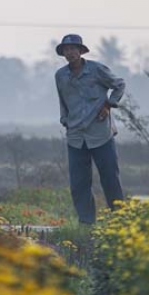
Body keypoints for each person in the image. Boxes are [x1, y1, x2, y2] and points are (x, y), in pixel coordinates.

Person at [54, 33, 126, 225]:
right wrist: (65, 120)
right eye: (66, 50)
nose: (70, 53)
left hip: (101, 134)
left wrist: (109, 105)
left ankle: (120, 220)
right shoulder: (60, 76)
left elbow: (119, 84)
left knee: (110, 179)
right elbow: (63, 101)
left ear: (80, 51)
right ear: (63, 53)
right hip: (76, 136)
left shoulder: (96, 70)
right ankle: (86, 224)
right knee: (79, 184)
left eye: (73, 49)